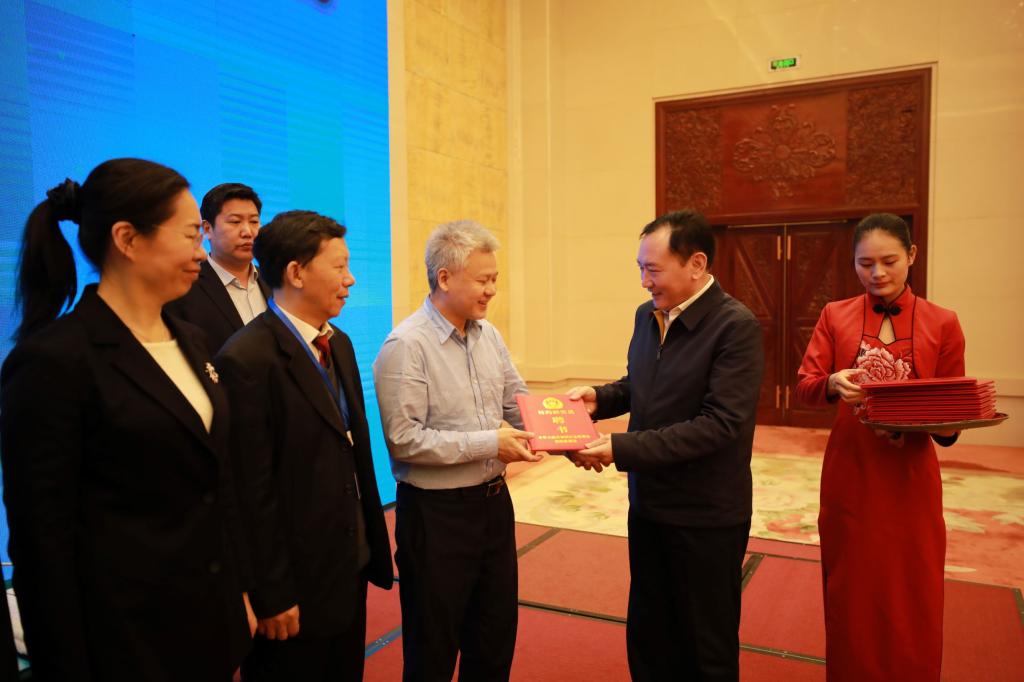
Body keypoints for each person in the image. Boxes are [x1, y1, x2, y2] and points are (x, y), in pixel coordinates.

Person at [0, 158, 254, 681]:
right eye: (189, 234)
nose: (200, 251)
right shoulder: (55, 361)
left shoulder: (191, 341)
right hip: (122, 643)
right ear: (128, 239)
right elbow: (41, 544)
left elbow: (215, 484)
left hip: (206, 625)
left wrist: (238, 595)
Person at [569, 209, 763, 681]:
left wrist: (620, 448)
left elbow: (719, 425)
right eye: (640, 268)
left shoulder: (735, 326)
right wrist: (601, 399)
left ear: (696, 264)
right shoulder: (648, 315)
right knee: (650, 633)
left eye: (652, 270)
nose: (643, 282)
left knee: (705, 643)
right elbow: (641, 384)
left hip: (705, 516)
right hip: (650, 504)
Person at [214, 210, 393, 682]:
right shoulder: (246, 358)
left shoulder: (341, 344)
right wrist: (270, 592)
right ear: (295, 272)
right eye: (340, 266)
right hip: (293, 583)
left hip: (347, 564)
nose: (351, 279)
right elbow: (249, 493)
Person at [796, 213, 965, 680]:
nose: (877, 273)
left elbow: (952, 416)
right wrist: (832, 382)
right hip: (851, 473)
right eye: (864, 263)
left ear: (911, 255)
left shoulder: (943, 322)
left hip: (910, 479)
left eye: (889, 261)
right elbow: (806, 386)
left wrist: (922, 423)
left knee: (913, 587)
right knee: (851, 586)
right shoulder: (835, 315)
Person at [373, 220, 538, 682]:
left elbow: (518, 403)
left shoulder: (489, 335)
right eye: (483, 280)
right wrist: (490, 442)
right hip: (436, 518)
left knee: (494, 639)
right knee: (433, 646)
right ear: (444, 278)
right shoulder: (407, 345)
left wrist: (568, 433)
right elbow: (404, 439)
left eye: (495, 279)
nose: (492, 290)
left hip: (494, 507)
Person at [165, 182, 270, 354]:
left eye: (254, 221)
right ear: (207, 229)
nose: (248, 232)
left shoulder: (275, 281)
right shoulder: (184, 288)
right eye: (235, 221)